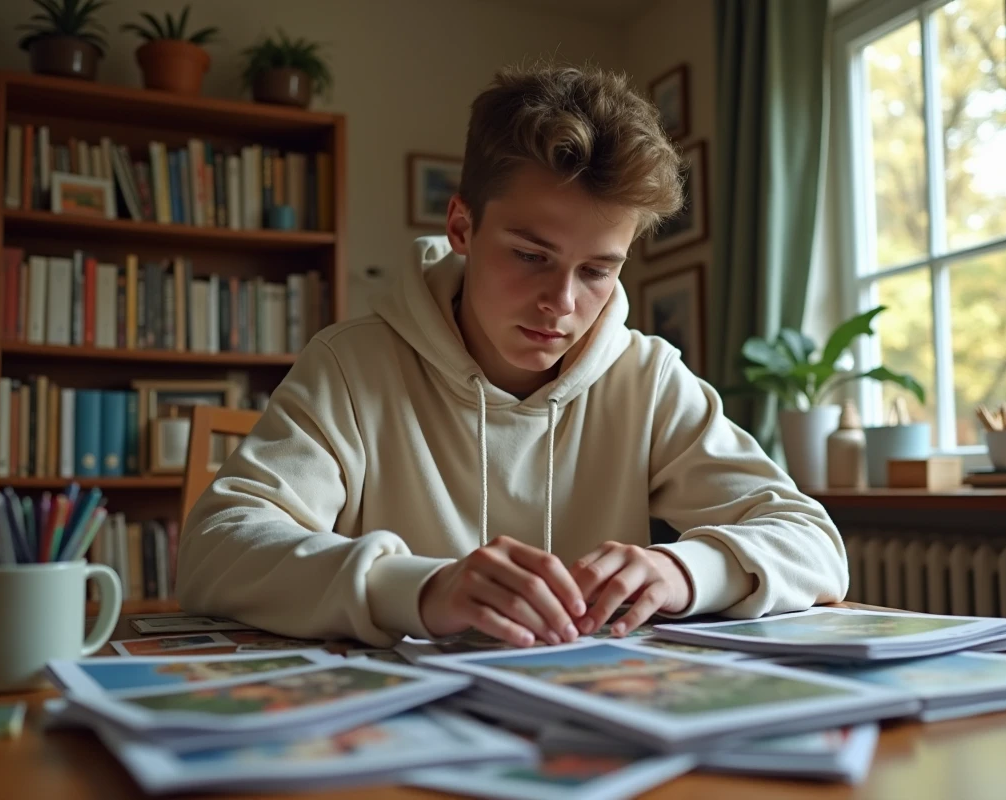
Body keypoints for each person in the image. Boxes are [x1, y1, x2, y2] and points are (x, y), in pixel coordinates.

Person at [176, 63, 848, 649]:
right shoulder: (352, 367)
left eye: (596, 270)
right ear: (462, 226)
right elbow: (215, 550)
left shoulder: (647, 378)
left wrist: (685, 570)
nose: (561, 302)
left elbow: (813, 543)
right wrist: (421, 587)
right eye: (531, 257)